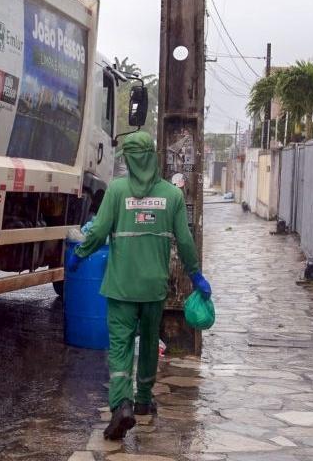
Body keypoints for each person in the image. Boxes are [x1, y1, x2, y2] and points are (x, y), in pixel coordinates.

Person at [67, 131, 211, 440]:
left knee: (120, 346)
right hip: (153, 288)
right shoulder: (172, 196)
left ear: (130, 160)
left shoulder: (117, 192)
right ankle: (144, 399)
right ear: (153, 157)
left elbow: (98, 231)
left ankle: (122, 405)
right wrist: (196, 275)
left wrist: (79, 255)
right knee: (148, 342)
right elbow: (184, 241)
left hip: (121, 287)